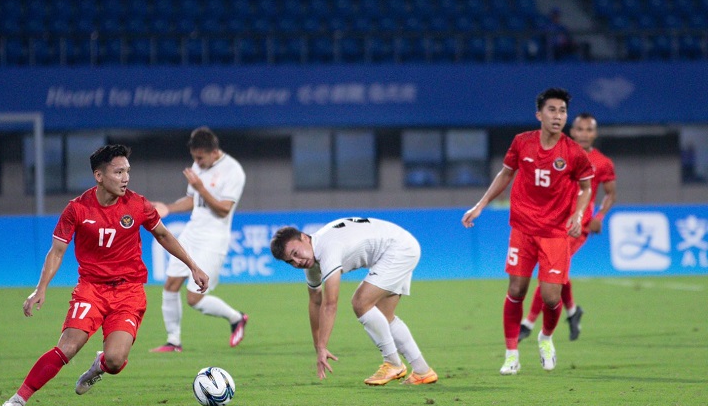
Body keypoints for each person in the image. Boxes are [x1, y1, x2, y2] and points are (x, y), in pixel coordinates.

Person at [1, 144, 209, 406]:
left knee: (114, 361)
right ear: (99, 176)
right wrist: (40, 289)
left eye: (127, 171)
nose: (126, 178)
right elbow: (57, 252)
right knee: (68, 346)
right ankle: (19, 398)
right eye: (118, 172)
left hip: (129, 292)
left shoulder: (137, 204)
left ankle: (97, 366)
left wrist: (193, 266)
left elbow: (163, 235)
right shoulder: (77, 209)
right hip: (91, 289)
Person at [461, 88, 594, 375]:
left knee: (550, 298)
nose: (558, 116)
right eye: (552, 110)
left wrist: (578, 213)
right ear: (539, 114)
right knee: (516, 289)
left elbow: (586, 187)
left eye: (562, 111)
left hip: (556, 233)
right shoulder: (522, 142)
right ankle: (511, 355)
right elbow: (505, 174)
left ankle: (546, 338)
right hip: (523, 228)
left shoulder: (573, 152)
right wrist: (481, 205)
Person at [270, 217, 438, 386]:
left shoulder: (327, 248)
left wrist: (322, 346)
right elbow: (315, 302)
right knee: (383, 316)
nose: (297, 262)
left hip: (399, 248)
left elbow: (330, 304)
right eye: (290, 261)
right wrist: (318, 347)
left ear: (304, 238)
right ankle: (422, 371)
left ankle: (393, 363)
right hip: (399, 245)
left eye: (296, 253)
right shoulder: (311, 262)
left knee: (360, 302)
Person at [149, 127, 248, 353]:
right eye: (194, 157)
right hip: (193, 231)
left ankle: (237, 318)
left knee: (194, 298)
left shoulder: (233, 171)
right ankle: (174, 342)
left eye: (200, 158)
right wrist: (169, 208)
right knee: (170, 285)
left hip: (214, 238)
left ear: (214, 152)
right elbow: (193, 200)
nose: (197, 162)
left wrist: (201, 188)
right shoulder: (198, 165)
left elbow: (224, 209)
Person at [519, 113, 616, 342]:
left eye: (589, 130)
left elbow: (611, 194)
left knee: (549, 274)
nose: (584, 134)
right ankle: (573, 312)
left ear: (595, 133)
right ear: (572, 131)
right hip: (552, 223)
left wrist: (599, 216)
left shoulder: (603, 163)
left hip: (577, 227)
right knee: (558, 274)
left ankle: (528, 323)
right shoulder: (559, 154)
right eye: (580, 129)